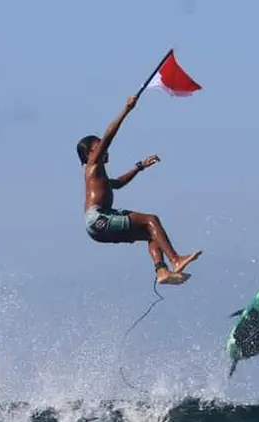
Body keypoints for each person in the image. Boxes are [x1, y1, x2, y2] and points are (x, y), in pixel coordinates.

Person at [77, 94, 201, 285]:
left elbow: (118, 183)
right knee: (151, 220)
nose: (105, 149)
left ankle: (162, 272)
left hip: (95, 227)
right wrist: (126, 109)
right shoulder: (92, 165)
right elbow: (110, 134)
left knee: (152, 233)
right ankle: (176, 260)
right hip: (99, 218)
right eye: (99, 146)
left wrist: (140, 166)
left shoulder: (98, 175)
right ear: (90, 153)